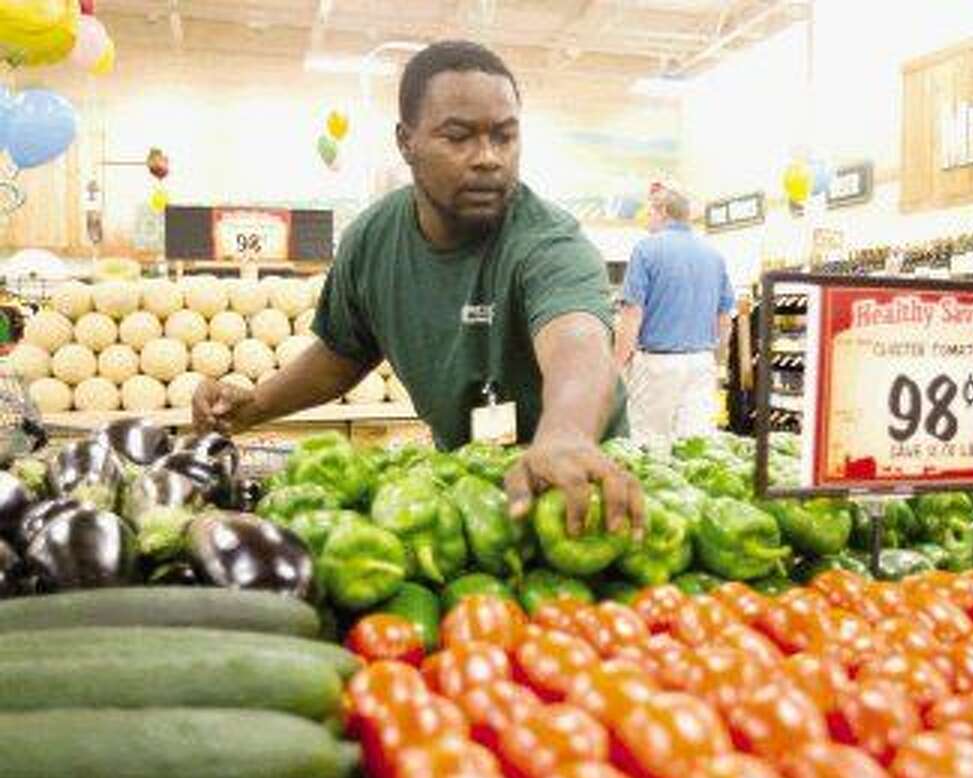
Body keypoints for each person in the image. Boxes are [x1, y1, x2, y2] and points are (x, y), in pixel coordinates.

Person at [193, 40, 642, 535]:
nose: (488, 158)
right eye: (459, 137)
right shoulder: (373, 240)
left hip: (583, 493)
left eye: (505, 137)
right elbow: (342, 354)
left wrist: (565, 435)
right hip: (472, 492)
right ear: (406, 142)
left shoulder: (548, 241)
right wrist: (253, 407)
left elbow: (577, 340)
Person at [614, 183, 735, 451]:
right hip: (702, 363)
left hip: (658, 364)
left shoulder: (646, 250)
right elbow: (725, 318)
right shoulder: (714, 255)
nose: (646, 218)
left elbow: (632, 314)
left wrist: (616, 365)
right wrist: (718, 361)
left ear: (664, 211)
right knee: (696, 447)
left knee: (648, 445)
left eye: (650, 212)